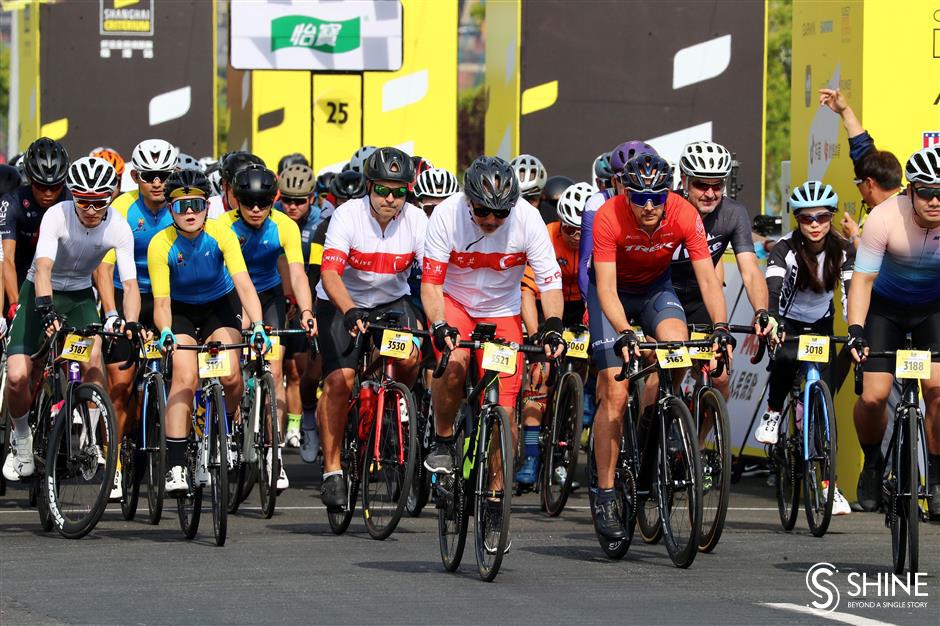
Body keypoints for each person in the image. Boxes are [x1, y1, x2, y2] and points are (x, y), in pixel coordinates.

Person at [589, 153, 732, 539]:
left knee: (677, 347)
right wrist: (625, 331)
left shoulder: (684, 213)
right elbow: (604, 287)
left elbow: (707, 277)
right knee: (616, 392)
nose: (649, 206)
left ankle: (656, 420)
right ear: (626, 192)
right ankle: (604, 493)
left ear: (668, 192)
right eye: (640, 198)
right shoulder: (608, 216)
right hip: (612, 295)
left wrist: (720, 327)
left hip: (655, 290)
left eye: (657, 197)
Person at [421, 156, 566, 486]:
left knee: (504, 406)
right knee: (454, 362)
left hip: (502, 309)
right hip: (454, 302)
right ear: (469, 200)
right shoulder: (447, 215)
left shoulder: (528, 220)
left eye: (500, 212)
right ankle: (443, 442)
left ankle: (495, 496)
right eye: (483, 210)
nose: (491, 219)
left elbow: (550, 283)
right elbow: (430, 284)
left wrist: (554, 322)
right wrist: (441, 323)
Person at [3, 157, 141, 482]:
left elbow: (130, 283)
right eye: (83, 201)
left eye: (98, 202)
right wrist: (46, 308)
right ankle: (21, 438)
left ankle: (89, 440)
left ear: (109, 197)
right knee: (18, 375)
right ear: (73, 196)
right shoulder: (57, 215)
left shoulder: (118, 226)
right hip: (40, 290)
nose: (91, 210)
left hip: (79, 296)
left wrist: (129, 321)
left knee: (93, 362)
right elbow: (44, 268)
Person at [315, 147, 427, 509]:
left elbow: (430, 277)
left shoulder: (417, 220)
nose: (390, 199)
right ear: (369, 187)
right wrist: (348, 311)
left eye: (399, 191)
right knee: (340, 381)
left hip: (390, 305)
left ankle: (393, 405)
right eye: (382, 189)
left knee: (410, 358)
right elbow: (330, 274)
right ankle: (333, 471)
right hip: (341, 301)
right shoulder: (348, 215)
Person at [147, 169, 270, 494]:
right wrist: (165, 331)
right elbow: (161, 301)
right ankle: (175, 465)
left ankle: (224, 433)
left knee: (230, 375)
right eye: (182, 205)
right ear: (171, 209)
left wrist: (256, 325)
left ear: (207, 207)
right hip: (182, 311)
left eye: (197, 205)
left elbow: (244, 284)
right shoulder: (161, 243)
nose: (190, 212)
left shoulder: (222, 234)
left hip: (219, 306)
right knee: (185, 377)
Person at [847, 145, 940, 517]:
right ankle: (872, 463)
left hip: (932, 311)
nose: (936, 201)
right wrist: (855, 329)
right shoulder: (884, 218)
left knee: (937, 392)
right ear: (911, 191)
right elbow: (864, 279)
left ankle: (935, 475)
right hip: (885, 311)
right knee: (874, 397)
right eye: (928, 192)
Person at [755, 181, 854, 515]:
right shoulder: (784, 248)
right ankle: (772, 412)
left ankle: (829, 486)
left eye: (822, 217)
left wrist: (856, 329)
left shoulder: (844, 249)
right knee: (784, 357)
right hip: (789, 320)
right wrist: (771, 318)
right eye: (807, 217)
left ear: (831, 217)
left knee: (823, 405)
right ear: (797, 219)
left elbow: (850, 294)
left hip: (822, 324)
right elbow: (773, 286)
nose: (815, 224)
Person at [219, 165, 315, 490]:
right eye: (249, 203)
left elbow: (298, 274)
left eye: (263, 203)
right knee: (230, 368)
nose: (257, 210)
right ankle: (228, 435)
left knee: (274, 373)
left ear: (272, 201)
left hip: (270, 296)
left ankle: (274, 456)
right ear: (237, 200)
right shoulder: (223, 226)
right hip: (232, 294)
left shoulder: (283, 225)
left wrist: (305, 311)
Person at [96, 138, 179, 500]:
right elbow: (104, 268)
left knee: (183, 373)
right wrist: (113, 315)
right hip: (126, 292)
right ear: (135, 176)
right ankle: (113, 464)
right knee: (120, 385)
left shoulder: (185, 206)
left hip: (169, 296)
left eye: (163, 175)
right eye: (148, 176)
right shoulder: (122, 208)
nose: (157, 183)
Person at [672, 140, 771, 399]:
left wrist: (761, 311)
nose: (710, 193)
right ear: (684, 181)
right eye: (701, 185)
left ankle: (698, 440)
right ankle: (648, 432)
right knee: (665, 372)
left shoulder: (733, 213)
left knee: (720, 377)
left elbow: (750, 270)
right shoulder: (668, 206)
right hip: (663, 297)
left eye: (717, 185)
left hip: (702, 299)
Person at [516, 181, 593, 486]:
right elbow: (526, 291)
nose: (575, 236)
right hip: (545, 304)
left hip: (580, 305)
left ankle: (565, 447)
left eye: (581, 230)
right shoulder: (545, 237)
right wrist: (536, 334)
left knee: (591, 355)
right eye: (569, 229)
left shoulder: (597, 239)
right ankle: (532, 458)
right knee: (539, 376)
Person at [818, 89, 903, 248]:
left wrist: (854, 237)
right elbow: (861, 147)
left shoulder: (900, 215)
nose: (858, 188)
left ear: (870, 184)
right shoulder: (899, 198)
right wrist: (844, 110)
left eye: (858, 182)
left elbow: (875, 263)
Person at [276, 164, 322, 450]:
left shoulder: (320, 223)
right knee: (287, 366)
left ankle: (304, 418)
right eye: (287, 200)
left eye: (299, 200)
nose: (292, 206)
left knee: (304, 368)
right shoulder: (275, 219)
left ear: (312, 198)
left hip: (311, 295)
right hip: (281, 294)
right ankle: (291, 424)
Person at [1, 137, 72, 312]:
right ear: (30, 179)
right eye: (41, 186)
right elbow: (7, 259)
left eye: (55, 186)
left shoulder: (71, 200)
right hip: (19, 269)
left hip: (56, 272)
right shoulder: (13, 202)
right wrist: (14, 303)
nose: (48, 193)